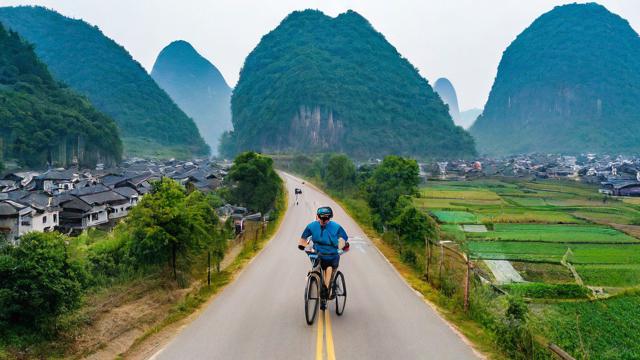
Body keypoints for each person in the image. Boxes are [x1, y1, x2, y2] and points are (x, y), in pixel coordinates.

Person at [299, 206, 349, 305]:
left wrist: (341, 245)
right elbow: (303, 238)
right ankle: (316, 283)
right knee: (315, 268)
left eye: (326, 218)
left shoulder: (336, 227)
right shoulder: (312, 226)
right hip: (318, 254)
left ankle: (327, 291)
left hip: (332, 255)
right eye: (322, 218)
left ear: (330, 218)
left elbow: (344, 238)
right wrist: (302, 244)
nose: (324, 220)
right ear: (318, 217)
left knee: (330, 273)